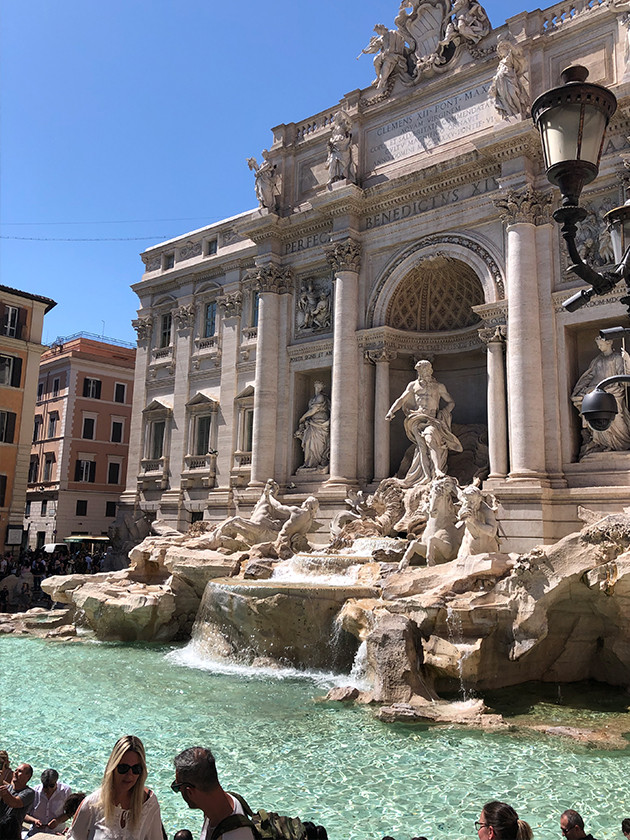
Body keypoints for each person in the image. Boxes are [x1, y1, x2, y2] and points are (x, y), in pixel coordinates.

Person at [68, 735, 163, 840]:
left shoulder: (149, 805)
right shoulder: (92, 805)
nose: (130, 775)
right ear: (113, 767)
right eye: (123, 768)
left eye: (136, 769)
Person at [386, 359, 462, 485]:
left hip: (432, 419)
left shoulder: (438, 386)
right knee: (422, 447)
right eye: (422, 370)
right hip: (417, 418)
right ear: (418, 371)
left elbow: (451, 402)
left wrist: (443, 413)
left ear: (431, 370)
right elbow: (401, 399)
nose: (425, 372)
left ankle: (437, 470)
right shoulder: (413, 385)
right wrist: (391, 411)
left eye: (427, 369)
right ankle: (427, 476)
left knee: (430, 438)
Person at [172, 747, 254, 840]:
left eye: (177, 787)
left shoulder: (232, 836)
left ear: (189, 791)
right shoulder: (226, 801)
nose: (179, 791)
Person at [571, 336, 630, 457]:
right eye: (598, 344)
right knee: (587, 405)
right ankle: (602, 443)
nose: (599, 347)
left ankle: (621, 445)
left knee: (616, 419)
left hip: (612, 393)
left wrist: (627, 360)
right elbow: (589, 376)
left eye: (601, 344)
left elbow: (624, 379)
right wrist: (580, 390)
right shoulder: (597, 360)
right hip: (596, 391)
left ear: (609, 343)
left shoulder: (617, 358)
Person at [295, 381, 331, 472]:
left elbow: (314, 410)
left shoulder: (320, 397)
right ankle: (309, 464)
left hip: (320, 423)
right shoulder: (313, 398)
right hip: (312, 423)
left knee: (318, 444)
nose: (317, 388)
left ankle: (317, 463)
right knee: (309, 443)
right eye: (316, 387)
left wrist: (303, 418)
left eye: (319, 387)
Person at [24, 769, 71, 836]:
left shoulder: (65, 791)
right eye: (45, 786)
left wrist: (58, 821)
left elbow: (70, 812)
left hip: (56, 834)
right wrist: (34, 821)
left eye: (51, 786)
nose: (49, 789)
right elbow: (24, 814)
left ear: (56, 782)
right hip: (36, 833)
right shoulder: (35, 792)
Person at [0, 763, 35, 840]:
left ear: (28, 776)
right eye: (15, 770)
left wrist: (1, 782)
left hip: (12, 834)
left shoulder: (29, 792)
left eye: (19, 771)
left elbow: (14, 803)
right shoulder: (6, 788)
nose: (15, 772)